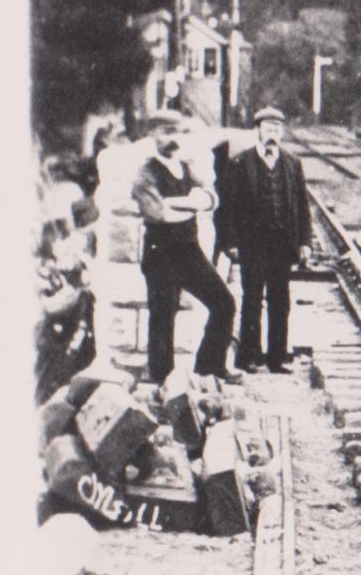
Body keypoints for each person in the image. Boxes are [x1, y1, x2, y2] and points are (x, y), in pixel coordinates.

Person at [132, 110, 237, 384]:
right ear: (152, 135)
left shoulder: (187, 167)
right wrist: (192, 204)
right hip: (160, 254)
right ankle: (162, 383)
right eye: (165, 132)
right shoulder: (145, 173)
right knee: (163, 320)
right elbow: (158, 213)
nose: (172, 139)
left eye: (176, 132)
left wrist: (185, 203)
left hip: (189, 251)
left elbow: (212, 199)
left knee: (224, 303)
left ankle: (209, 368)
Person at [214, 105, 310, 374]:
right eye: (268, 128)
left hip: (282, 243)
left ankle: (277, 357)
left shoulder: (292, 163)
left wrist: (305, 242)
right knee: (252, 299)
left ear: (282, 132)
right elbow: (228, 207)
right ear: (257, 130)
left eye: (277, 129)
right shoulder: (240, 163)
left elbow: (302, 206)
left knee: (281, 301)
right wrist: (230, 242)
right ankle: (249, 356)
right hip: (252, 243)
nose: (272, 134)